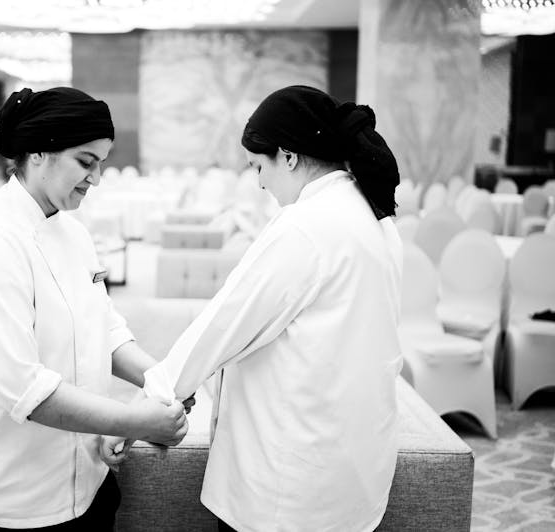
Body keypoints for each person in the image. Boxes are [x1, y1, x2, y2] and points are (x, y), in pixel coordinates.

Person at [101, 85, 403, 532]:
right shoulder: (374, 214)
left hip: (291, 486)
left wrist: (140, 410)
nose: (259, 182)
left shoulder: (305, 227)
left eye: (259, 166)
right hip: (353, 466)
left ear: (289, 156)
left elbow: (222, 326)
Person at [0, 86, 190, 531]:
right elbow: (18, 385)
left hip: (85, 479)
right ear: (39, 153)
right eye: (86, 162)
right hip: (2, 496)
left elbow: (106, 330)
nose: (97, 178)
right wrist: (136, 420)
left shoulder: (72, 231)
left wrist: (163, 379)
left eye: (101, 163)